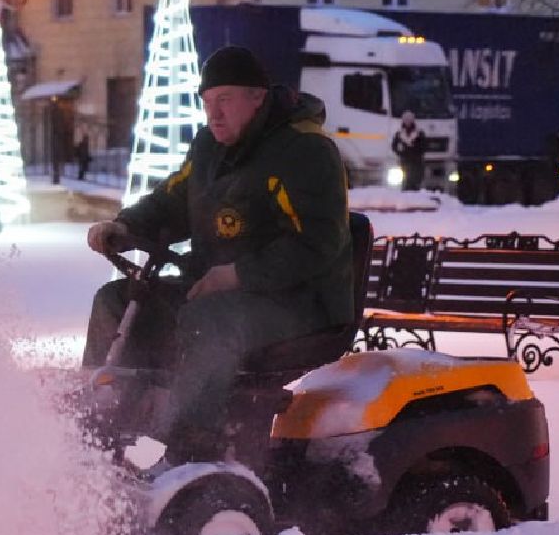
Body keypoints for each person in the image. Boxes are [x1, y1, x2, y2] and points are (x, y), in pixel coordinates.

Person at [81, 45, 355, 466]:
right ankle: (103, 425)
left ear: (258, 97)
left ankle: (191, 446)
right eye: (207, 102)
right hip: (218, 293)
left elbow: (318, 243)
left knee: (208, 320)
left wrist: (237, 275)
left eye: (225, 100)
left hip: (302, 303)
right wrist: (126, 227)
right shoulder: (211, 146)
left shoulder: (305, 151)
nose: (214, 114)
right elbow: (172, 202)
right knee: (116, 300)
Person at [391, 110, 427, 191]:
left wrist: (416, 151)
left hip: (417, 162)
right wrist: (400, 152)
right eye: (406, 120)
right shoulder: (399, 133)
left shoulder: (419, 133)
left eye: (409, 120)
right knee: (405, 183)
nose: (408, 122)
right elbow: (394, 146)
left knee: (415, 183)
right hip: (405, 161)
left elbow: (424, 146)